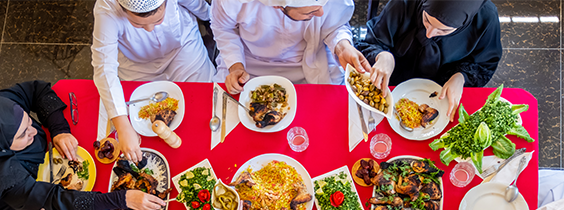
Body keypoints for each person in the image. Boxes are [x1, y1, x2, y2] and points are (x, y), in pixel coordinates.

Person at [0, 81, 165, 210]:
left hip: (49, 163)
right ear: (1, 147)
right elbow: (55, 199)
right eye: (24, 134)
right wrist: (122, 199)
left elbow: (37, 91)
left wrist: (59, 130)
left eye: (28, 121)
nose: (34, 130)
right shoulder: (0, 177)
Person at [92, 0, 215, 163]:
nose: (150, 29)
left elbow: (201, 9)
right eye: (138, 24)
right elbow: (104, 69)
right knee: (142, 122)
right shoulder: (106, 7)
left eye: (158, 21)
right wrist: (122, 126)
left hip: (182, 48)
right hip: (136, 64)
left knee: (204, 100)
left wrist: (217, 21)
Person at [358, 0, 502, 121]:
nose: (429, 34)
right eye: (426, 20)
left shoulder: (486, 17)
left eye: (443, 30)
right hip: (394, 79)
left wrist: (461, 77)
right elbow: (372, 41)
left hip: (445, 90)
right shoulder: (403, 2)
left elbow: (484, 63)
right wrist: (383, 55)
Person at [211, 0, 369, 94]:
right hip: (250, 63)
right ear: (278, 7)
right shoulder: (234, 3)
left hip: (310, 61)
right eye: (312, 11)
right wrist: (235, 66)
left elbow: (334, 23)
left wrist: (342, 46)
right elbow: (224, 28)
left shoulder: (321, 8)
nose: (321, 13)